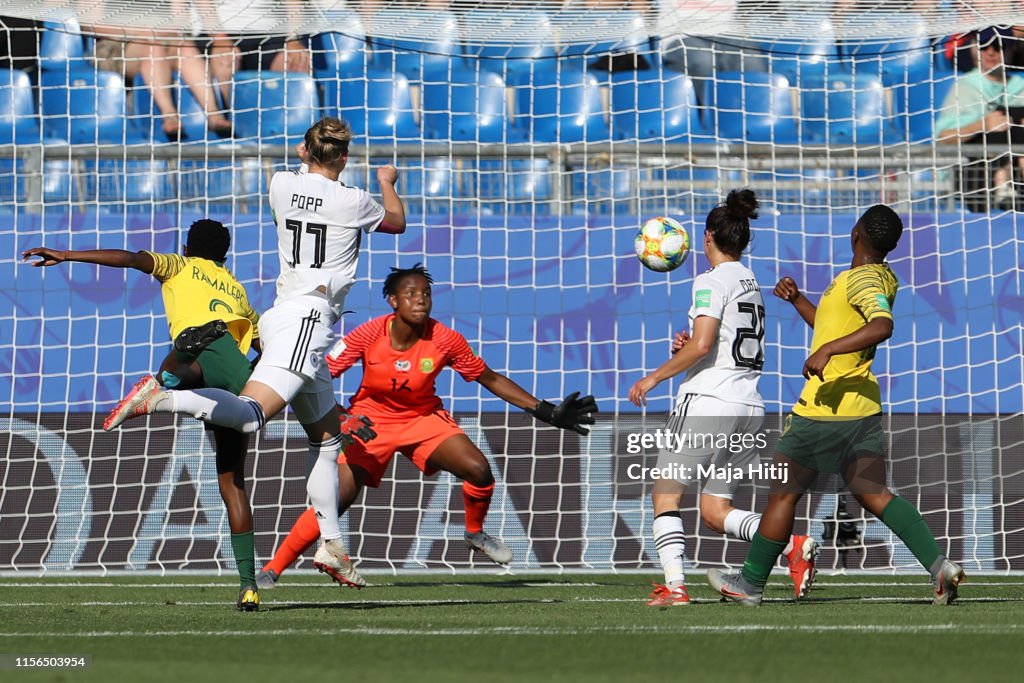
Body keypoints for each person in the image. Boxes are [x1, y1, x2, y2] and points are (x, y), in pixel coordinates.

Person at [102, 116, 407, 589]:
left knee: (328, 439)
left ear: (305, 151)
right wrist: (387, 182)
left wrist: (318, 163)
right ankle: (161, 397)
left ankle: (331, 544)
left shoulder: (280, 184)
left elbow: (309, 180)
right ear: (344, 157)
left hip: (286, 313)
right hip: (309, 318)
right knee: (249, 416)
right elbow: (397, 221)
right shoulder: (355, 200)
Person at [257, 264, 598, 588]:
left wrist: (546, 411)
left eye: (425, 293)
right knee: (335, 497)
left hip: (423, 419)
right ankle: (273, 569)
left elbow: (489, 378)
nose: (420, 299)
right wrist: (342, 416)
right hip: (370, 422)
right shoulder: (368, 334)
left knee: (479, 470)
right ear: (393, 300)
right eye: (410, 293)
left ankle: (475, 532)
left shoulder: (445, 339)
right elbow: (317, 375)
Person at [707, 205, 966, 607]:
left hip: (825, 410)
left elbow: (882, 325)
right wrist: (799, 302)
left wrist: (827, 349)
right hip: (861, 410)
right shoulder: (869, 277)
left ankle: (750, 583)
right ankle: (940, 567)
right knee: (874, 493)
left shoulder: (862, 279)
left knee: (782, 496)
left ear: (856, 233)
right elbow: (839, 327)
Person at [22, 219, 264, 611]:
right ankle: (249, 585)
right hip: (236, 378)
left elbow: (131, 259)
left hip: (201, 354)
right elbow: (262, 345)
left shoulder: (181, 266)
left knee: (184, 369)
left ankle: (169, 372)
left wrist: (67, 255)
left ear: (187, 247)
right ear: (226, 254)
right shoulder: (237, 291)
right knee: (233, 483)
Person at [627, 190, 817, 607]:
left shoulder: (709, 281)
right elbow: (714, 341)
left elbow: (703, 345)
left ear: (707, 236)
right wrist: (693, 343)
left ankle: (675, 588)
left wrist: (654, 377)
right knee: (714, 510)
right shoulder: (750, 282)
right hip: (748, 405)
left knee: (665, 493)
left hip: (709, 400)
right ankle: (791, 546)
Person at [936, 26, 1024, 211]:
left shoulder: (1020, 86)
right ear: (976, 49)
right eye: (984, 46)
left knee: (1016, 120)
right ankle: (1002, 179)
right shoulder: (965, 86)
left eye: (998, 46)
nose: (990, 53)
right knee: (1001, 124)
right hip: (974, 173)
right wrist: (982, 124)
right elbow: (943, 138)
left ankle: (1005, 178)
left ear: (1011, 49)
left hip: (1017, 176)